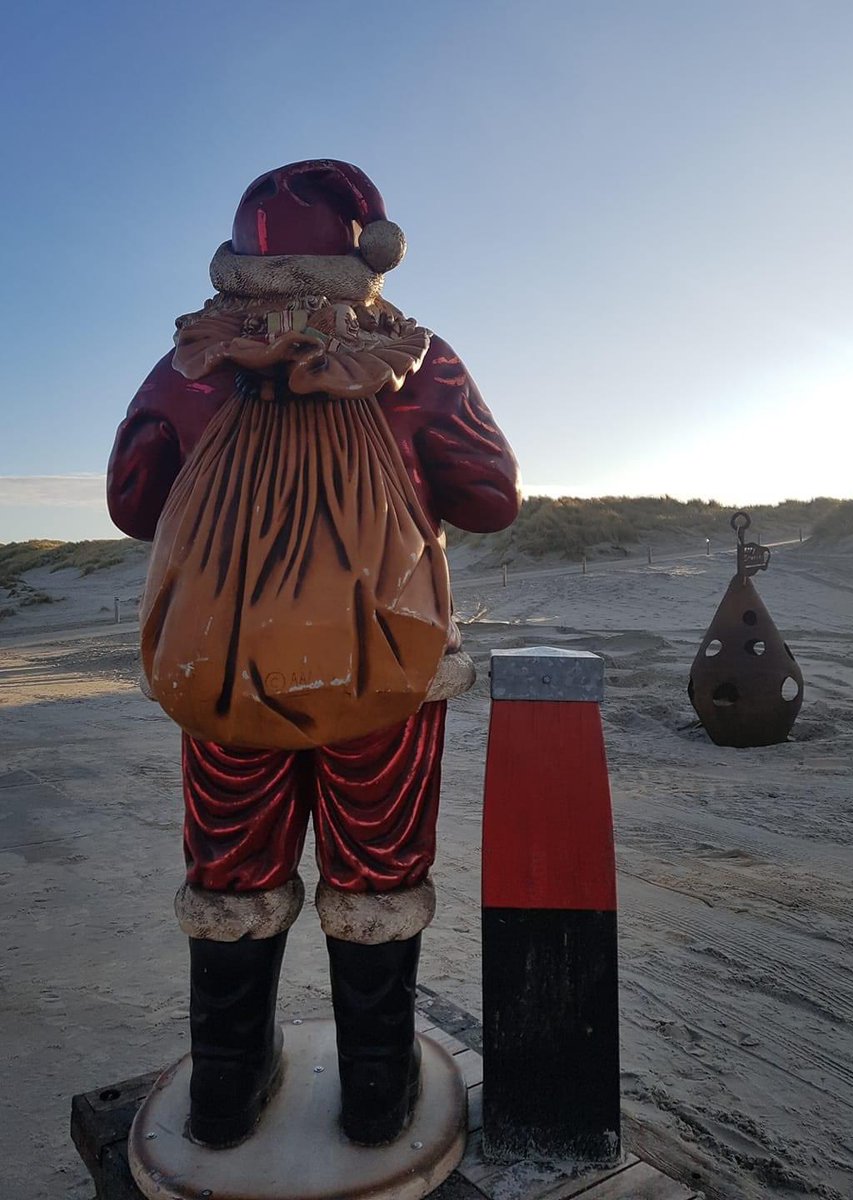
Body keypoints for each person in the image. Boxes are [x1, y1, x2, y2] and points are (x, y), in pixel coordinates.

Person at [107, 159, 520, 1148]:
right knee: (377, 868)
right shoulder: (411, 358)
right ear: (364, 258)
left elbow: (129, 502)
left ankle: (223, 1090)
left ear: (240, 262)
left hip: (225, 669)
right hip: (383, 674)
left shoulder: (193, 360)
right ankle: (376, 1096)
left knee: (230, 873)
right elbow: (490, 501)